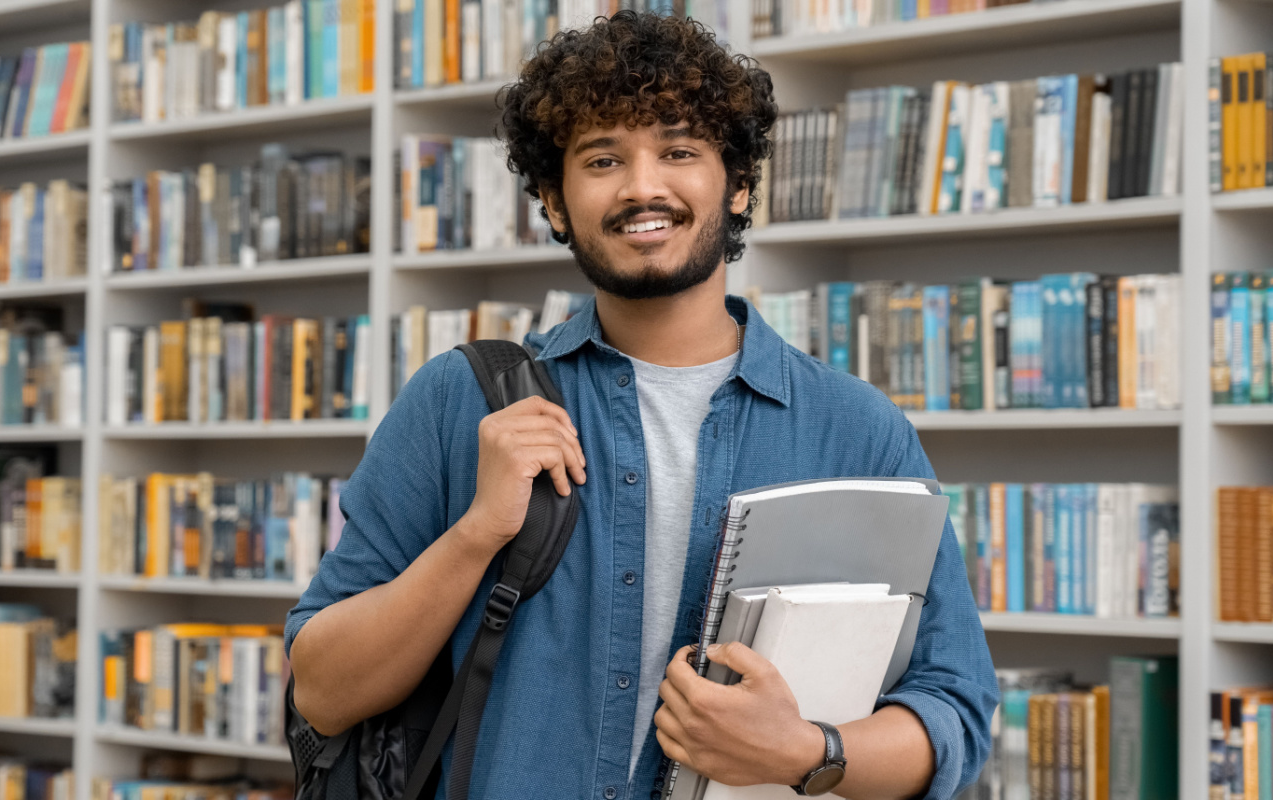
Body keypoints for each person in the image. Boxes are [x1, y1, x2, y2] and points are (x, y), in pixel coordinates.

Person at [286, 11, 998, 800]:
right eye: (601, 159)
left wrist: (803, 751)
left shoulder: (859, 430)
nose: (642, 186)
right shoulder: (459, 401)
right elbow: (320, 690)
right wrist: (476, 534)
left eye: (679, 150)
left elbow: (953, 713)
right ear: (556, 204)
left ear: (738, 185)